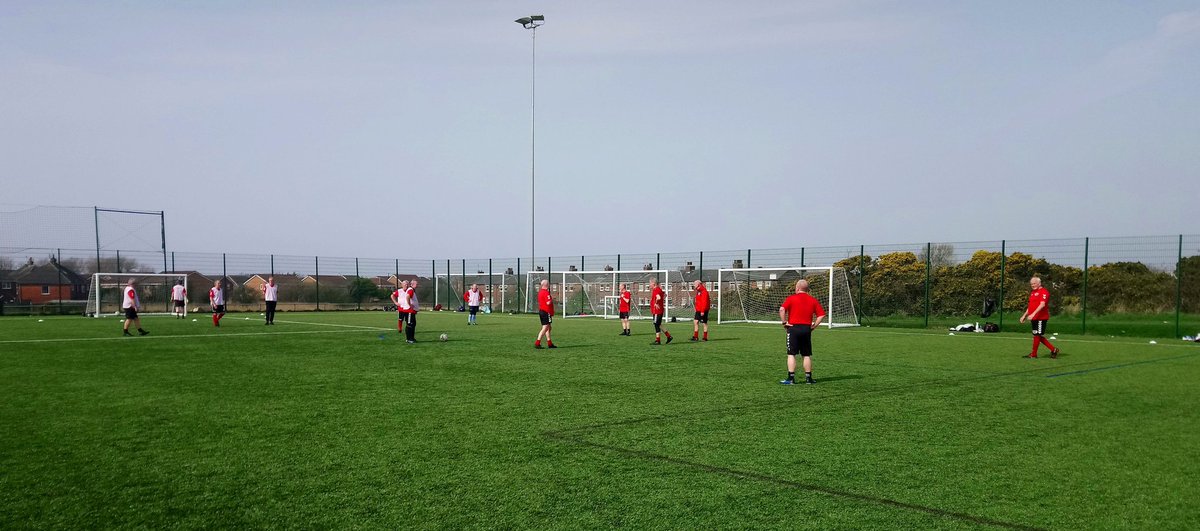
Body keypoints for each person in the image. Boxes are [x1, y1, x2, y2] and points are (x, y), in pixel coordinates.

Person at [779, 279, 825, 385]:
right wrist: (814, 326)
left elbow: (782, 309)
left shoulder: (791, 298)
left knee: (791, 354)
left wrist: (784, 322)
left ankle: (791, 379)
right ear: (807, 289)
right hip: (806, 329)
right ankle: (808, 379)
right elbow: (821, 315)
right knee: (806, 354)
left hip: (793, 328)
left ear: (797, 288)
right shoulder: (813, 300)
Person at [1019, 276, 1060, 359]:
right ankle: (1053, 349)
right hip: (1033, 318)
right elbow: (1030, 306)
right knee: (1036, 335)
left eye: (1034, 283)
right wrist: (1024, 315)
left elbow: (1042, 304)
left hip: (1041, 318)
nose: (1032, 285)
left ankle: (1034, 354)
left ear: (1039, 283)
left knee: (1037, 335)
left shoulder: (1044, 292)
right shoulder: (1033, 293)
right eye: (1031, 284)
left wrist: (1033, 314)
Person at [649, 277, 672, 345]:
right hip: (659, 310)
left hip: (657, 311)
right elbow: (665, 295)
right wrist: (662, 299)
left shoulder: (656, 290)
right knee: (658, 324)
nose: (649, 285)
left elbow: (658, 297)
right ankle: (669, 336)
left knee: (656, 324)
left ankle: (658, 340)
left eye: (650, 283)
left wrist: (656, 303)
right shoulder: (659, 289)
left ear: (653, 283)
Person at [534, 279, 557, 349]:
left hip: (542, 311)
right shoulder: (546, 292)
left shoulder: (540, 292)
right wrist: (552, 299)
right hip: (546, 312)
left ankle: (549, 343)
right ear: (547, 285)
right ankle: (537, 343)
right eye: (549, 284)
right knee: (545, 328)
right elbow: (548, 302)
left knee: (548, 327)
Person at [404, 279, 420, 343]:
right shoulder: (410, 290)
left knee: (413, 324)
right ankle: (409, 339)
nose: (417, 285)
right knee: (410, 324)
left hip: (412, 311)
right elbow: (407, 296)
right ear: (412, 284)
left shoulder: (412, 290)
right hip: (409, 311)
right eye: (416, 284)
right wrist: (409, 304)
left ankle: (412, 338)